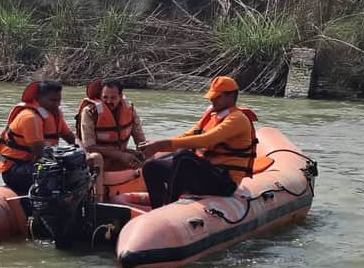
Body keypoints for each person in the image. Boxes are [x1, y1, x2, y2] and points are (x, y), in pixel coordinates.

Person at [137, 76, 258, 209]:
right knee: (151, 166)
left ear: (231, 96)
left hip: (224, 181)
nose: (212, 100)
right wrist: (156, 147)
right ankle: (157, 209)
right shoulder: (212, 115)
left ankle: (169, 206)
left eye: (217, 97)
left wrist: (160, 144)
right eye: (212, 96)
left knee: (183, 157)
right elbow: (188, 135)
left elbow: (207, 140)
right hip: (206, 172)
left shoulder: (238, 119)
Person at [0, 80, 76, 195]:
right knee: (56, 171)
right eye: (52, 100)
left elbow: (70, 138)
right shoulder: (30, 117)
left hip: (36, 163)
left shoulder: (55, 114)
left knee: (78, 164)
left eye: (59, 100)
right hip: (14, 168)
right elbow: (40, 153)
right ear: (38, 98)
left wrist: (83, 152)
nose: (57, 104)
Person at [76, 78, 146, 200]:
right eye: (105, 97)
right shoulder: (90, 112)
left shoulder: (129, 109)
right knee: (96, 157)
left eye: (113, 98)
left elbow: (140, 140)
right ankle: (98, 200)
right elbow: (89, 147)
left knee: (146, 154)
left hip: (119, 153)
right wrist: (120, 155)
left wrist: (144, 152)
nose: (108, 101)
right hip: (94, 157)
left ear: (120, 96)